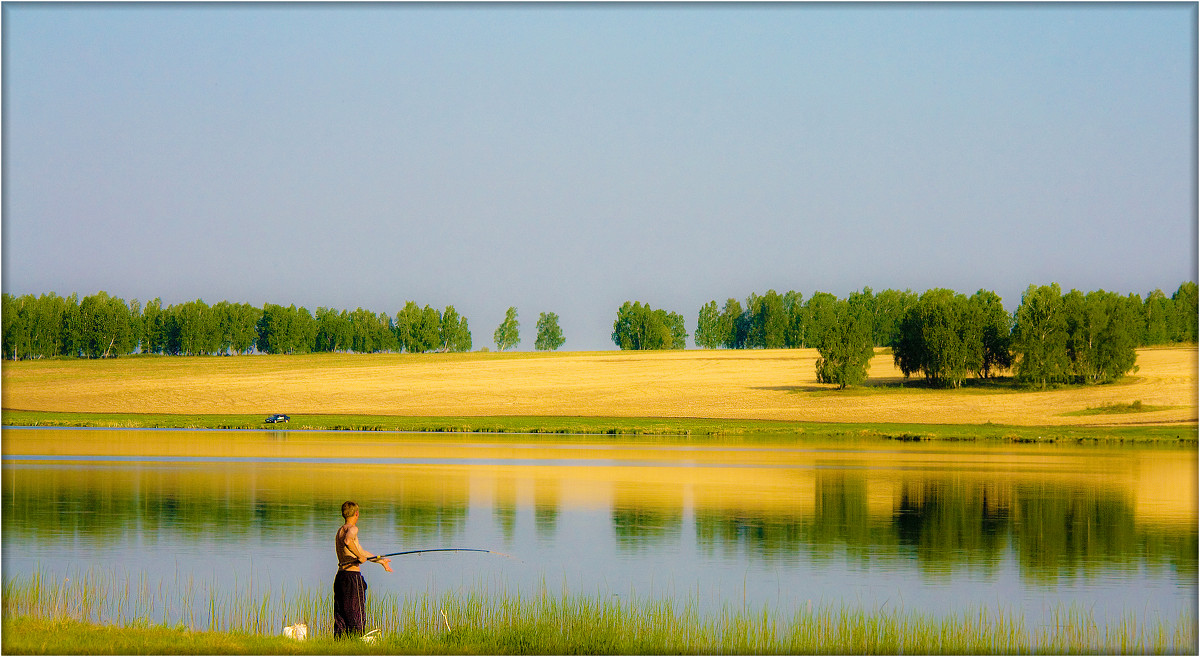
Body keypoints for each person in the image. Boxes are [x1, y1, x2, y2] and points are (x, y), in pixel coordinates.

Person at [333, 500, 392, 638]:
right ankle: (357, 641)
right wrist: (359, 556)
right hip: (352, 577)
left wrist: (381, 561)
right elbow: (349, 542)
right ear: (357, 514)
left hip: (341, 576)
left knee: (340, 614)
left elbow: (361, 551)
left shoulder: (340, 531)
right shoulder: (352, 529)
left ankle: (340, 644)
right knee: (356, 612)